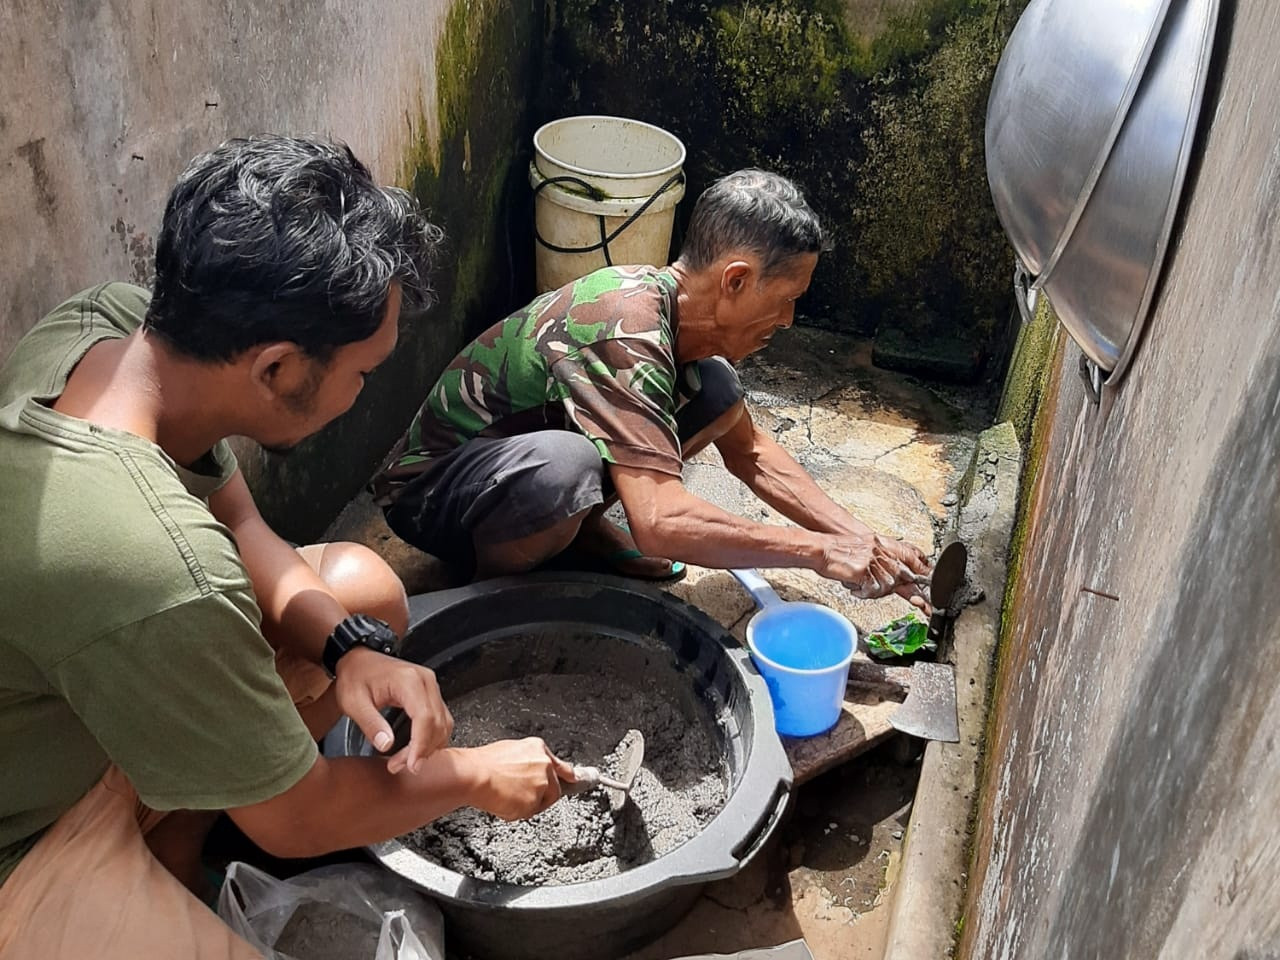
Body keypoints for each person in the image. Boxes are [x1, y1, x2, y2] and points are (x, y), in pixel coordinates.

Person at [0, 136, 572, 960]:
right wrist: (478, 776)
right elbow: (297, 818)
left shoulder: (118, 327)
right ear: (276, 369)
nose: (361, 393)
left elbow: (240, 523)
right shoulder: (161, 567)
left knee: (360, 591)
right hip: (30, 829)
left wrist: (349, 649)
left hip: (98, 696)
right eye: (362, 375)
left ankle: (180, 858)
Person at [376, 169, 933, 600]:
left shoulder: (670, 319)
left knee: (715, 389)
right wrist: (819, 553)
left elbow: (754, 453)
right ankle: (497, 591)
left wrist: (865, 542)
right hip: (431, 495)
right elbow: (660, 523)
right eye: (786, 299)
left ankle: (578, 532)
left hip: (505, 469)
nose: (788, 320)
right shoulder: (625, 325)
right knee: (564, 469)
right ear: (735, 280)